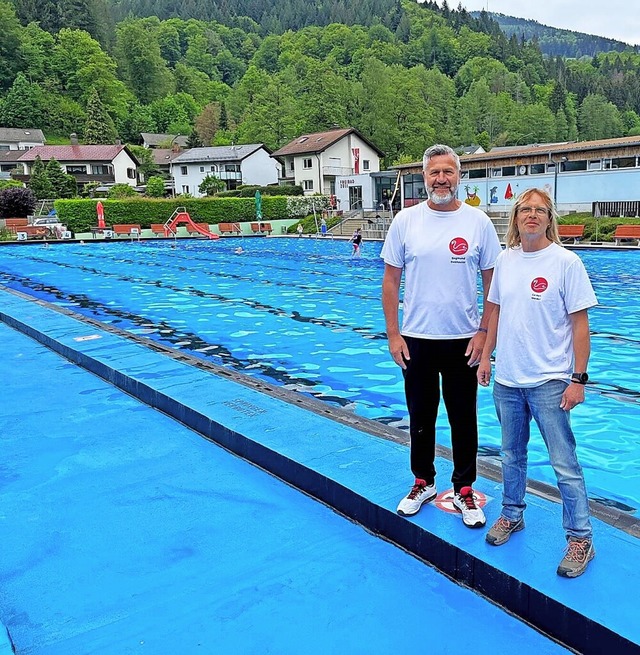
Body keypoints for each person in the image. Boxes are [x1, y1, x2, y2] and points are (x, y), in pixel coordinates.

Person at [477, 187, 597, 578]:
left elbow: (581, 326)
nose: (531, 215)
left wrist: (578, 378)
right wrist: (486, 357)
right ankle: (512, 514)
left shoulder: (566, 262)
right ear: (515, 218)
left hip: (550, 381)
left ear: (549, 219)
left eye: (539, 210)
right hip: (508, 379)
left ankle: (580, 537)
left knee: (564, 464)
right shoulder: (505, 260)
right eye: (525, 210)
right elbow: (494, 313)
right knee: (511, 455)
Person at [381, 144, 502, 528]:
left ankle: (464, 489)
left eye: (448, 172)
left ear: (459, 176)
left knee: (463, 417)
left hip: (464, 339)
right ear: (424, 176)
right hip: (416, 337)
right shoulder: (406, 221)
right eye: (434, 173)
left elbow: (493, 286)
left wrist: (484, 335)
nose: (441, 179)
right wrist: (393, 334)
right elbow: (390, 282)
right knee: (421, 415)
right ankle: (423, 482)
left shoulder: (478, 222)